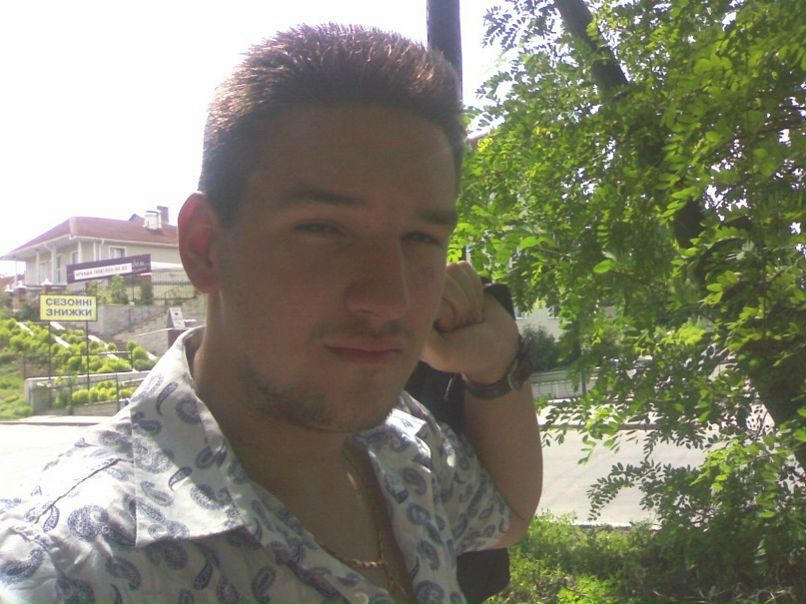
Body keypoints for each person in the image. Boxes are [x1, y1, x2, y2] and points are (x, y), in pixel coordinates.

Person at [0, 24, 542, 604]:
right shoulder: (69, 566)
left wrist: (495, 369)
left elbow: (505, 516)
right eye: (323, 229)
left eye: (420, 238)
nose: (392, 297)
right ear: (206, 247)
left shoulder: (402, 443)